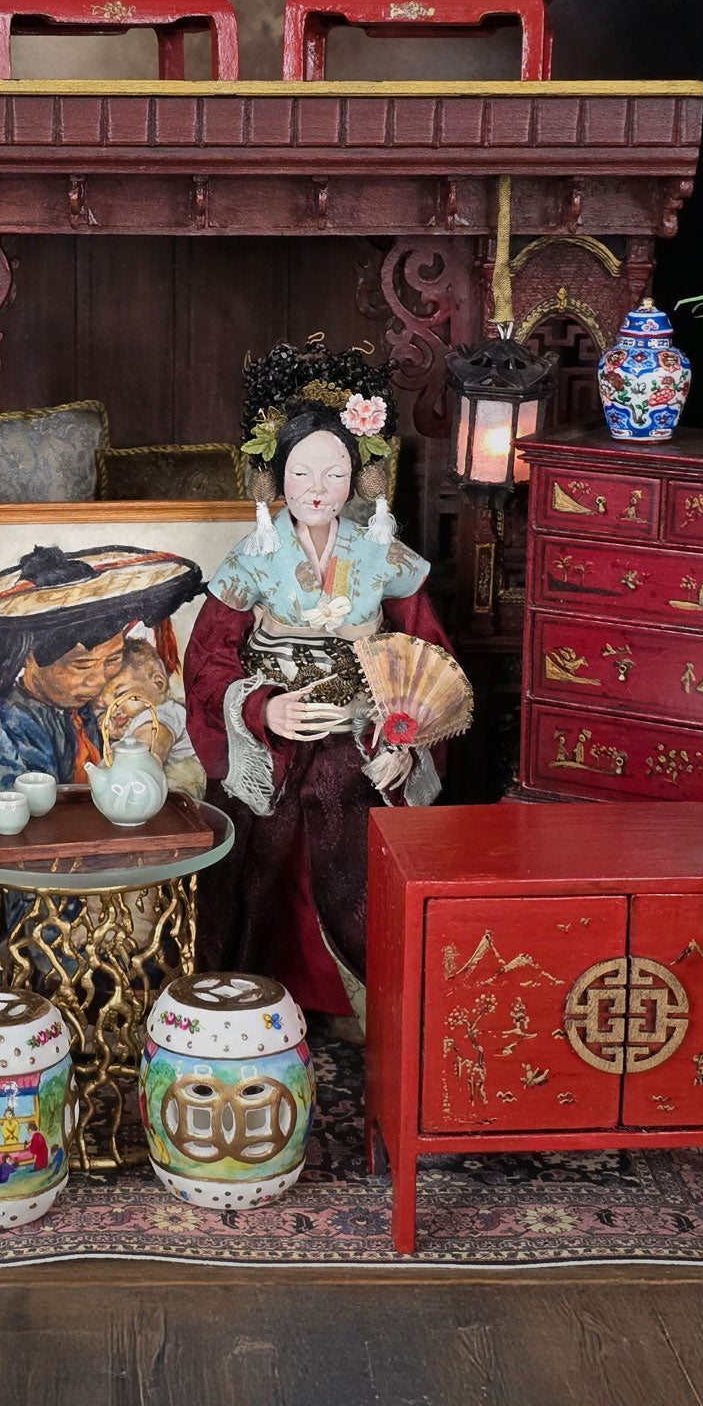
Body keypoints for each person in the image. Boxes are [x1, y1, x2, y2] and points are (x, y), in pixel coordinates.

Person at [185, 394, 454, 1027]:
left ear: (358, 478)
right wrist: (262, 710)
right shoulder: (253, 558)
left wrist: (402, 735)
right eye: (301, 472)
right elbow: (206, 660)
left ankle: (368, 1008)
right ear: (275, 476)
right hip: (274, 741)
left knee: (349, 820)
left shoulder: (382, 554)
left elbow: (426, 655)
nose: (317, 488)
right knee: (256, 859)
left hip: (359, 736)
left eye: (335, 473)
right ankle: (249, 1002)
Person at [0, 543, 205, 794]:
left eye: (112, 661)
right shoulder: (6, 734)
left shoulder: (92, 713)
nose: (100, 682)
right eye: (82, 665)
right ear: (29, 660)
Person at [103, 637, 206, 799]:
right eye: (104, 707)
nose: (113, 710)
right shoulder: (141, 719)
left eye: (121, 695)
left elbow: (155, 738)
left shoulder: (163, 713)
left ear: (158, 682)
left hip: (173, 797)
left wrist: (146, 758)